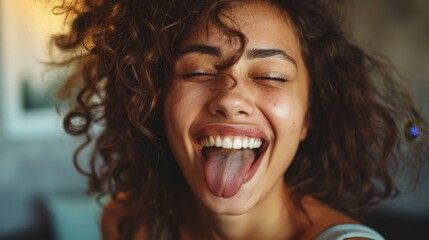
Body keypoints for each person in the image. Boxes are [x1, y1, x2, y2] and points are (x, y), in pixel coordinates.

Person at [51, 0, 427, 239]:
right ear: (155, 100)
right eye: (198, 71)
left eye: (272, 76)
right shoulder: (129, 223)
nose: (231, 99)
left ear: (309, 116)